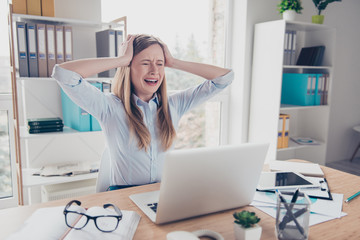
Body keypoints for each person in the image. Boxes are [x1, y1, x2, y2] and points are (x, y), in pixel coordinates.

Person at [52, 34, 234, 190]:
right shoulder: (109, 107)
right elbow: (63, 74)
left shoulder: (174, 104)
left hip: (163, 195)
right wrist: (120, 61)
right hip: (125, 198)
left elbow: (224, 78)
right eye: (146, 63)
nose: (154, 71)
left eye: (160, 64)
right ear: (129, 68)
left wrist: (174, 62)